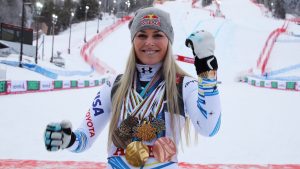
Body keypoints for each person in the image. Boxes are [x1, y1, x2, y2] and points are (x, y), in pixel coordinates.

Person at [44, 7, 221, 169]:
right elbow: (84, 139)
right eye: (142, 35)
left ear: (168, 41)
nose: (149, 42)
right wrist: (68, 140)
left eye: (158, 35)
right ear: (133, 40)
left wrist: (207, 70)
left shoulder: (183, 85)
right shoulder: (114, 85)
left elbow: (208, 127)